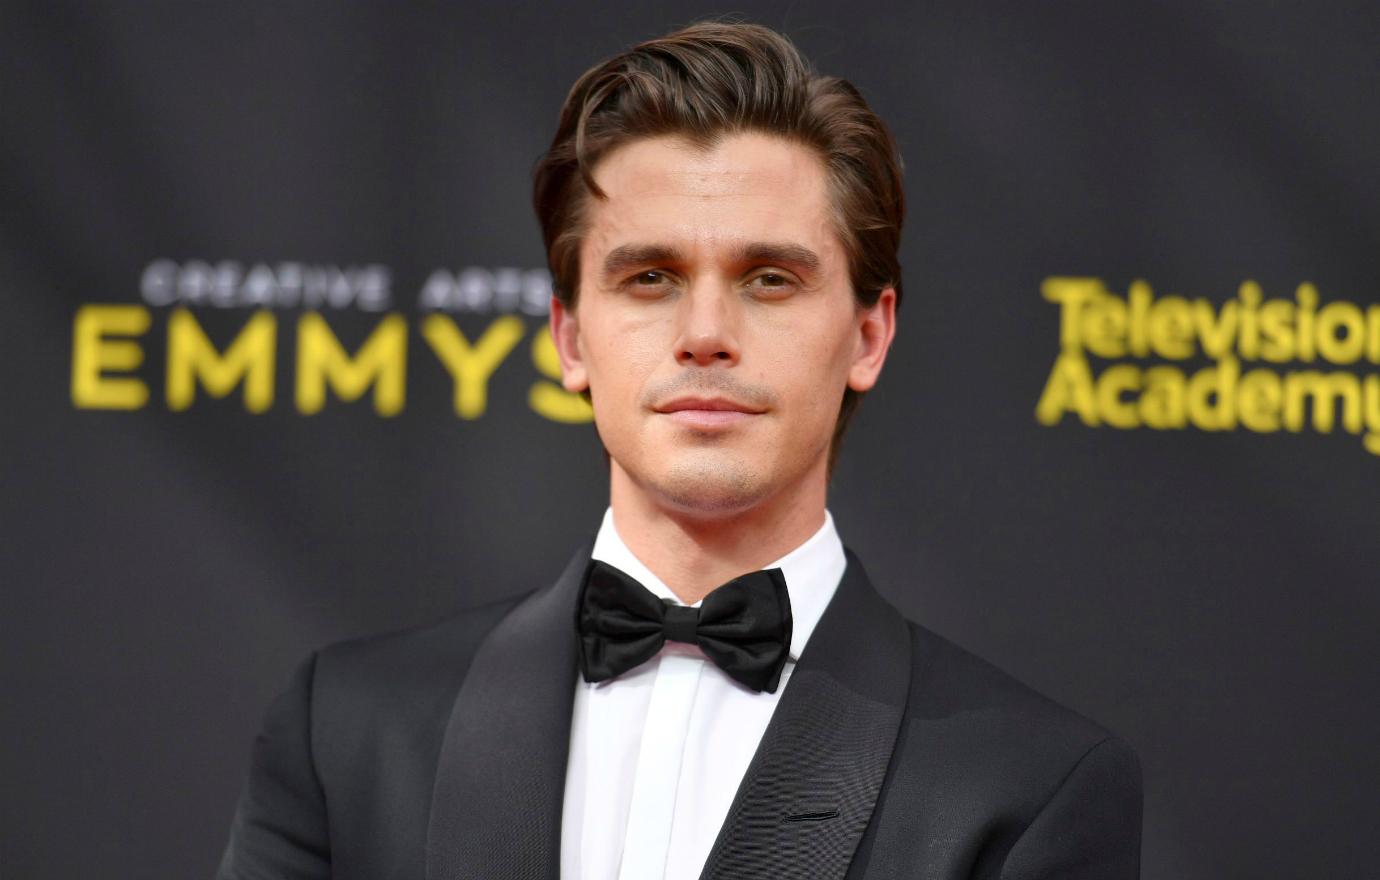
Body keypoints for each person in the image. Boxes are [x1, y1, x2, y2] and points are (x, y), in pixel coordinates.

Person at [217, 20, 1141, 880]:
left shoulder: (1028, 787)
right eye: (650, 277)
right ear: (572, 338)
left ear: (868, 335)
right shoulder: (344, 734)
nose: (705, 333)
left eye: (770, 279)